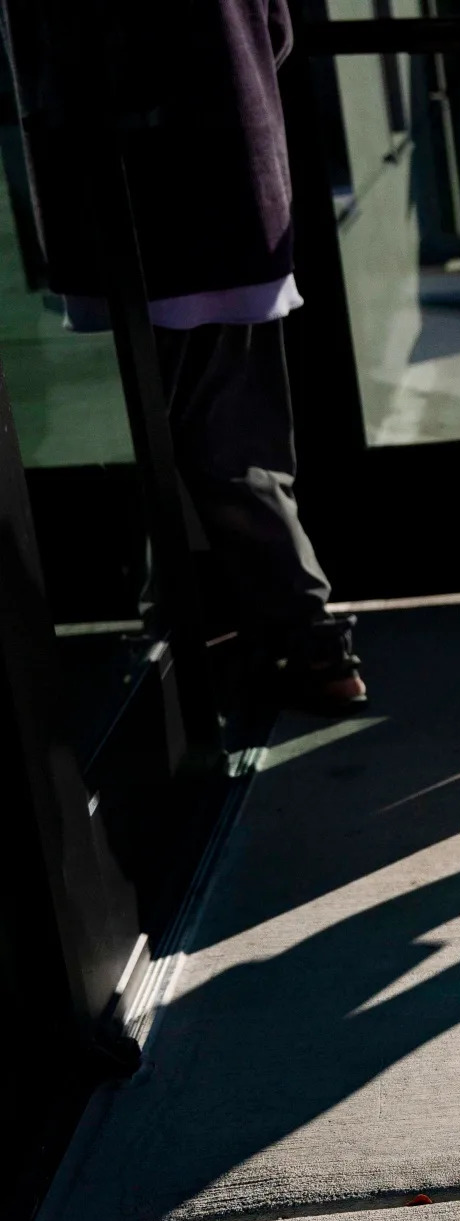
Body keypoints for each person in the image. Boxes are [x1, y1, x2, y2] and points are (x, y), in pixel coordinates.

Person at [8, 0, 366, 714]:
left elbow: (71, 64)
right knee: (225, 439)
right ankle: (242, 638)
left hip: (151, 208)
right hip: (235, 197)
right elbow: (278, 31)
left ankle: (279, 645)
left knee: (187, 445)